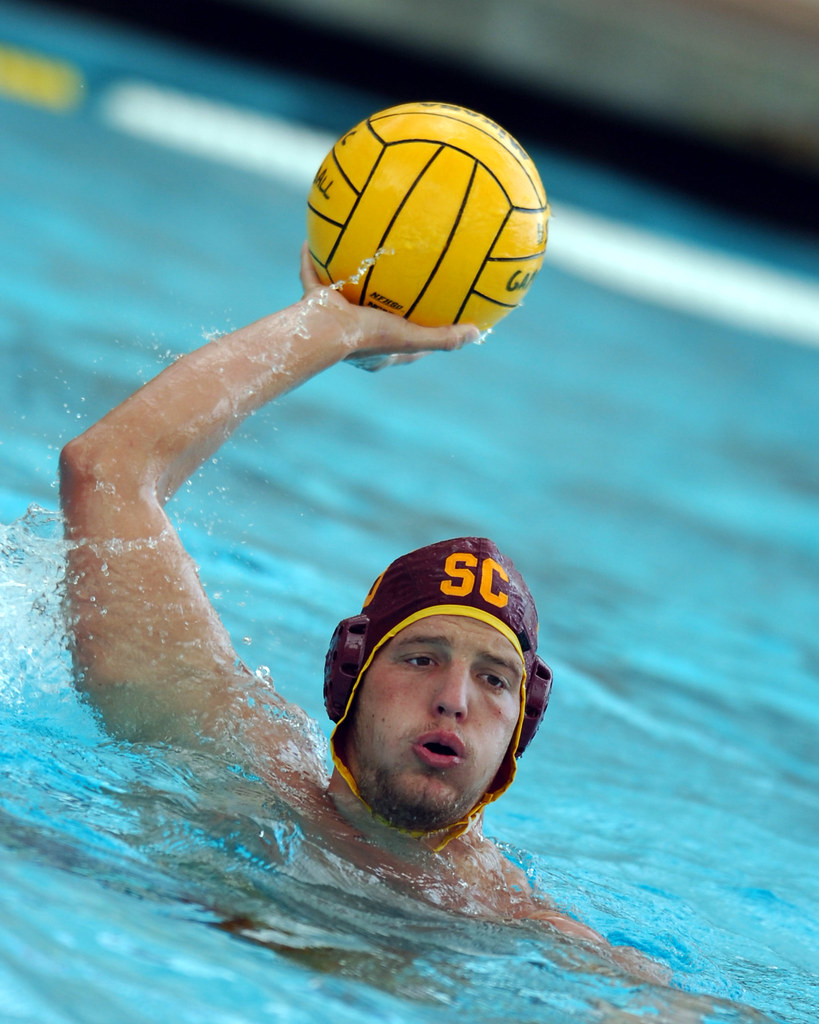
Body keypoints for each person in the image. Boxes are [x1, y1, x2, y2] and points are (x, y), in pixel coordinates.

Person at [60, 245, 661, 979]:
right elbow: (109, 469)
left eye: (495, 680)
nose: (453, 700)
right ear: (350, 674)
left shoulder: (528, 939)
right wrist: (332, 325)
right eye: (421, 657)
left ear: (520, 729)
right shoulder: (225, 755)